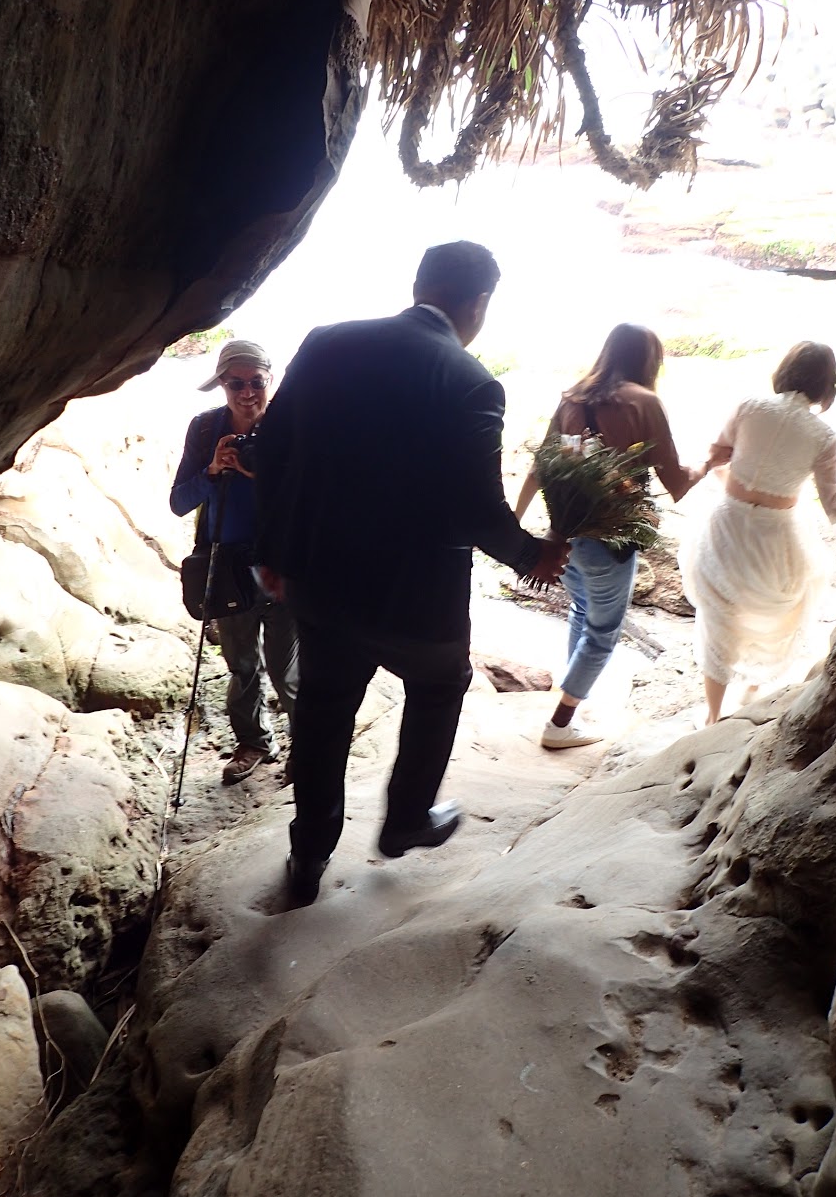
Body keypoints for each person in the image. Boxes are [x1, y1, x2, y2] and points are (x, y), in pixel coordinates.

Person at [255, 241, 566, 905]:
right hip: (416, 600)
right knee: (439, 686)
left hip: (321, 582)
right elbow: (475, 508)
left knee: (322, 713)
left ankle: (309, 854)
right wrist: (531, 555)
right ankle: (404, 821)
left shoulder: (327, 342)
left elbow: (273, 449)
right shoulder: (471, 381)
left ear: (419, 284)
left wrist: (270, 552)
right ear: (479, 303)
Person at [514, 323, 720, 749]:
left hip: (562, 534)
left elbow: (541, 467)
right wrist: (709, 464)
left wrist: (513, 524)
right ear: (648, 360)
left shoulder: (573, 396)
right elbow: (676, 483)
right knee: (604, 630)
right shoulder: (644, 402)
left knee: (581, 611)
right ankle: (560, 723)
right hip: (610, 538)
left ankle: (572, 699)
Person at [679, 341, 836, 726]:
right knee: (779, 614)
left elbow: (717, 455)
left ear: (785, 370)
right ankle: (752, 688)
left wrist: (732, 481)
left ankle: (712, 715)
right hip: (776, 538)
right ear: (827, 384)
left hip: (727, 525)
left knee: (720, 619)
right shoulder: (823, 436)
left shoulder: (749, 406)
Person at [170, 339, 298, 784]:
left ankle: (306, 745)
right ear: (221, 384)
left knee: (286, 669)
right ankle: (253, 742)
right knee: (242, 665)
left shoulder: (290, 427)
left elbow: (316, 497)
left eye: (256, 382)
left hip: (283, 565)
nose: (247, 393)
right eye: (235, 383)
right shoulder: (207, 429)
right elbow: (178, 502)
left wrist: (264, 475)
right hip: (227, 568)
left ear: (270, 380)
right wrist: (211, 471)